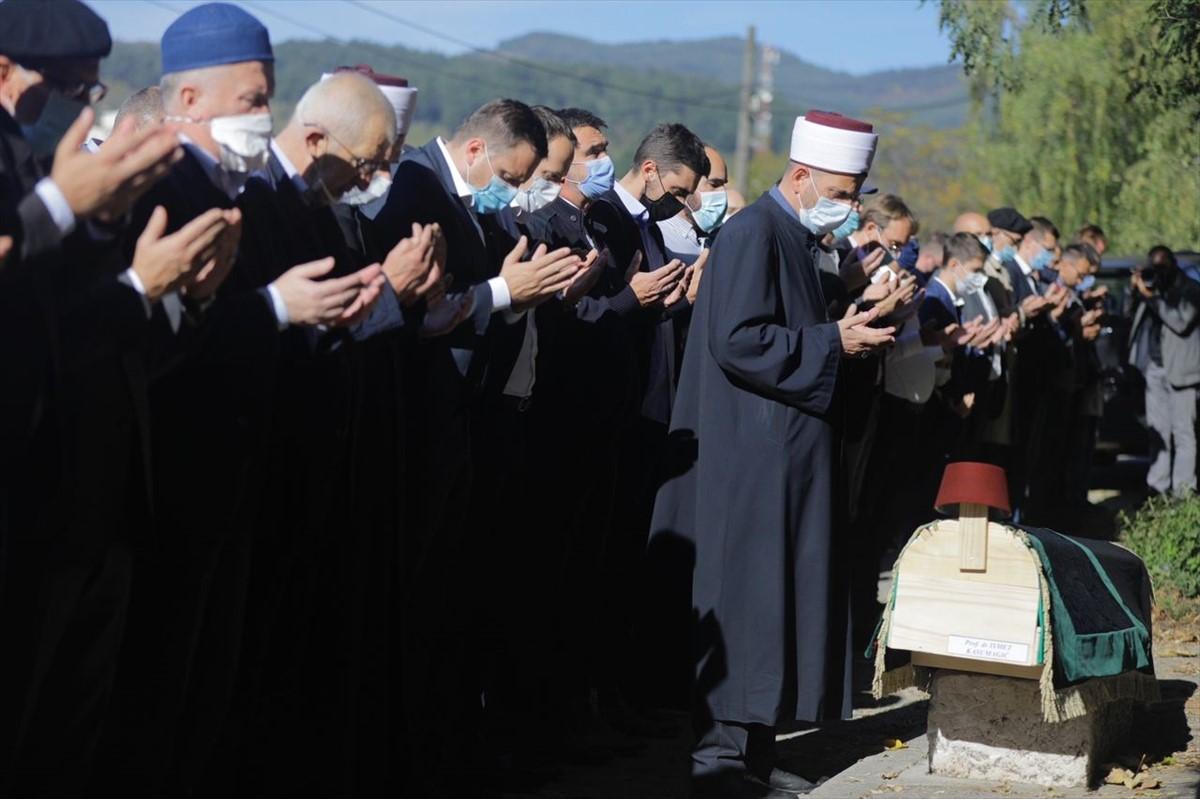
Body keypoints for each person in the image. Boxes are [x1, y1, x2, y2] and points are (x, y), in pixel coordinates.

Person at [648, 110, 894, 799]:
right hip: (750, 456)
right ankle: (719, 760)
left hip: (784, 452)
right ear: (801, 175)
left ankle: (754, 752)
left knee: (772, 605)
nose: (848, 207)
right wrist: (833, 344)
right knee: (744, 601)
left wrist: (850, 326)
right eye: (843, 192)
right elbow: (739, 339)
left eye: (856, 194)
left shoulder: (796, 237)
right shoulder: (754, 232)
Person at [1128, 246, 1200, 497]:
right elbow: (1130, 317)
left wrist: (1151, 297)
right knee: (1157, 432)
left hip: (1183, 372)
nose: (1157, 273)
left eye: (1161, 268)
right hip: (1154, 368)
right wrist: (1135, 291)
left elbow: (1179, 322)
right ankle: (1156, 491)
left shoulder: (1190, 290)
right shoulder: (1151, 287)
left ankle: (1183, 493)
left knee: (1183, 433)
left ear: (1173, 265)